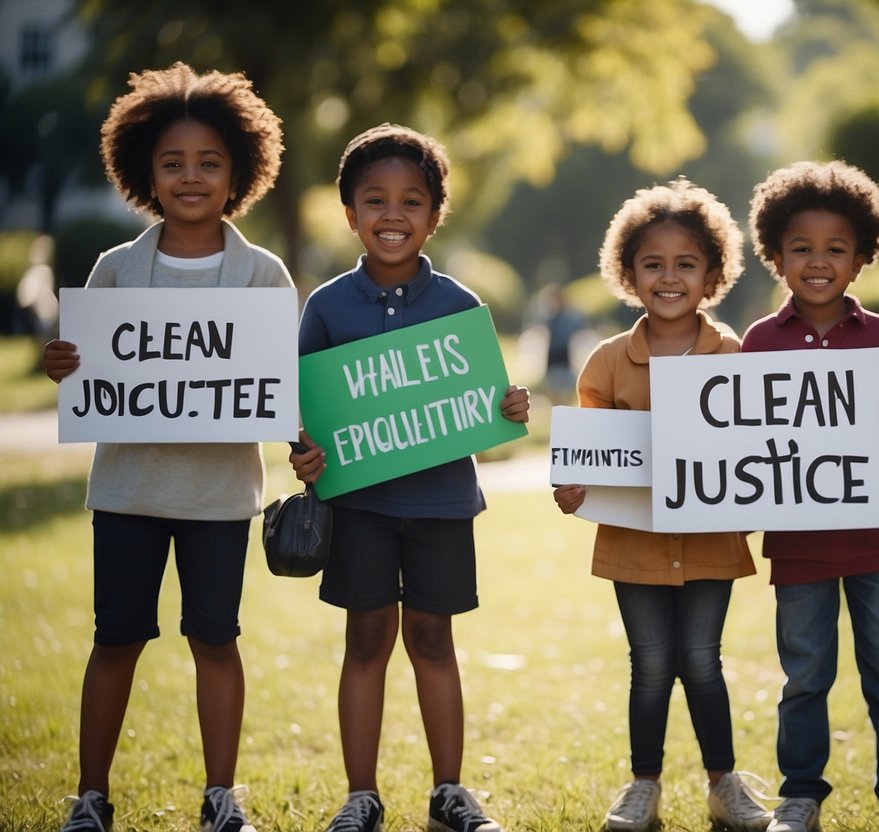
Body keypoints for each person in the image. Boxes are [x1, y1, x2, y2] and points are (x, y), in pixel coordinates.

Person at [43, 63, 290, 832]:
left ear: (239, 172)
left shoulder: (264, 275)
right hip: (127, 491)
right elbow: (90, 373)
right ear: (144, 171)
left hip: (220, 496)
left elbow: (276, 381)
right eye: (173, 162)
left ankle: (222, 797)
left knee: (216, 640)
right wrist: (63, 365)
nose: (191, 176)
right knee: (114, 640)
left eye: (209, 162)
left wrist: (305, 442)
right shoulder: (114, 271)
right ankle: (91, 796)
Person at [288, 123, 530, 832]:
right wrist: (303, 451)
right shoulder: (326, 307)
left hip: (442, 504)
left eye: (411, 201)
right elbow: (303, 407)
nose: (393, 215)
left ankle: (448, 793)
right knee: (366, 639)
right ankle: (359, 795)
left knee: (432, 638)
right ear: (350, 213)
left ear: (434, 214)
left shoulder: (459, 305)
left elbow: (483, 403)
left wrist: (509, 406)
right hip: (358, 505)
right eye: (375, 200)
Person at [553, 178, 772, 832]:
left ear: (712, 275)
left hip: (710, 542)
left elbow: (754, 452)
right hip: (633, 547)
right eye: (652, 264)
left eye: (685, 265)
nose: (668, 277)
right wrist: (573, 490)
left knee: (703, 661)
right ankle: (642, 786)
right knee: (648, 665)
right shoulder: (605, 362)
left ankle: (722, 783)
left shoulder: (734, 358)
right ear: (628, 274)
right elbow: (587, 461)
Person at [740, 160, 879, 832]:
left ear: (859, 260)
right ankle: (799, 792)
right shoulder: (758, 344)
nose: (817, 262)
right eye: (801, 248)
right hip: (797, 551)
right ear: (775, 256)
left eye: (834, 250)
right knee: (803, 677)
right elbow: (744, 445)